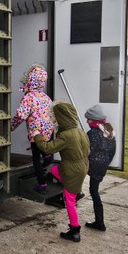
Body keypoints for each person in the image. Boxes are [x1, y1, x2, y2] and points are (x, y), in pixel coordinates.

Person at [32, 102, 90, 242]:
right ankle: (76, 192)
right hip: (82, 166)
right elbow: (88, 150)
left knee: (69, 202)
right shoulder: (80, 131)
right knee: (53, 170)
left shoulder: (66, 136)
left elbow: (47, 148)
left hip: (71, 171)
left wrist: (37, 135)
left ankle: (75, 231)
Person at [11, 64, 55, 193]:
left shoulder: (28, 97)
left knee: (36, 159)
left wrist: (11, 126)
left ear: (30, 80)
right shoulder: (46, 97)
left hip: (36, 133)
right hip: (49, 131)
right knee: (46, 152)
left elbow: (21, 115)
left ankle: (42, 185)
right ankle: (47, 156)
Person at [83, 104, 117, 231]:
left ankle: (99, 222)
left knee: (93, 192)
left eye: (88, 119)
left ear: (94, 120)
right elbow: (112, 150)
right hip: (102, 165)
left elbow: (87, 150)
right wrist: (106, 162)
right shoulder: (109, 131)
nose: (87, 121)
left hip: (93, 165)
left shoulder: (92, 133)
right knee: (94, 190)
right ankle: (99, 221)